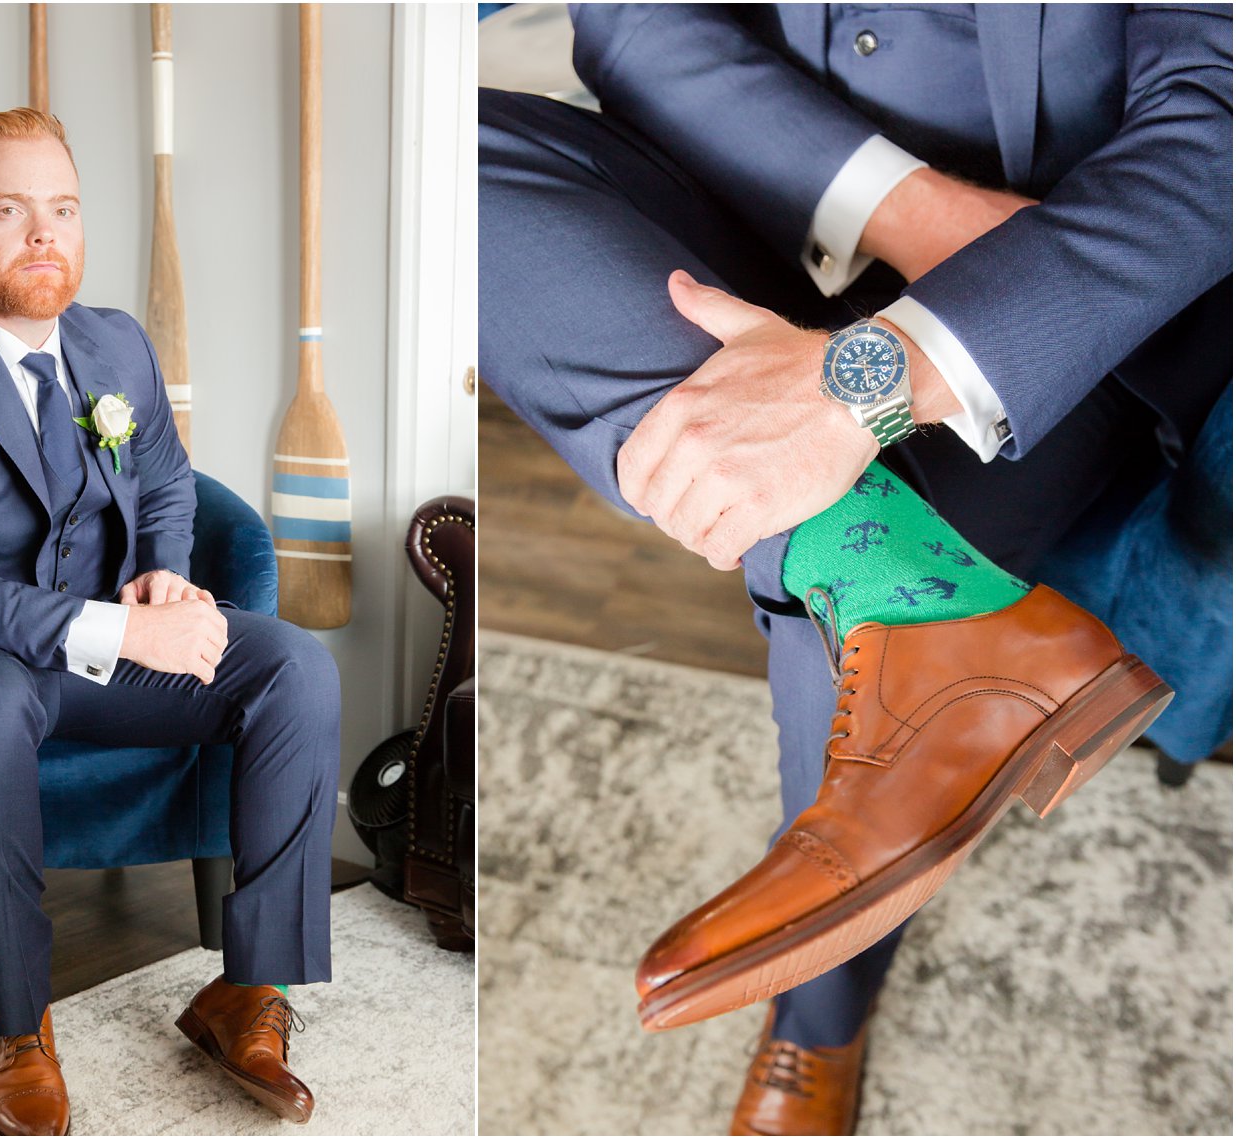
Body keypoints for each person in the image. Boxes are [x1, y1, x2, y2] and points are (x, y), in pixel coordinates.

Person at [479, 4, 1231, 1133]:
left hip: (1058, 302)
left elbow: (1215, 122)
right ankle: (940, 620)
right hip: (774, 196)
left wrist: (877, 371)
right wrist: (911, 215)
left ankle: (815, 1023)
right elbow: (633, 18)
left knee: (833, 611)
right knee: (446, 170)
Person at [0, 108, 339, 1136]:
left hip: (103, 648)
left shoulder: (114, 342)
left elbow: (162, 476)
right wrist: (120, 632)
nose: (41, 235)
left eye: (61, 209)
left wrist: (159, 572)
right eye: (9, 210)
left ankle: (246, 990)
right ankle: (17, 1025)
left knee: (294, 663)